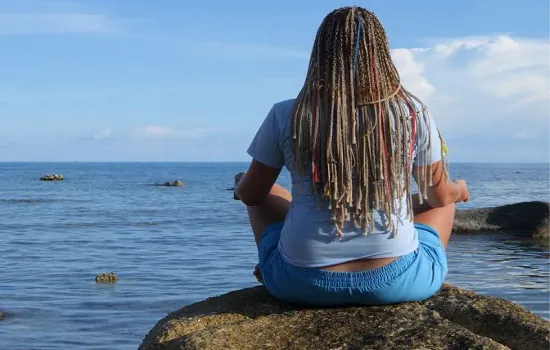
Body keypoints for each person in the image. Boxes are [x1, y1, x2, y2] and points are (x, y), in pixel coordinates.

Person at [234, 6, 470, 306]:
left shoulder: (287, 113)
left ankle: (277, 265)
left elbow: (253, 196)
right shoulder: (412, 113)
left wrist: (242, 183)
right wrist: (459, 189)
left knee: (268, 191)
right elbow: (437, 197)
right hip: (396, 283)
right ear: (381, 55)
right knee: (445, 203)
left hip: (298, 283)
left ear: (321, 55)